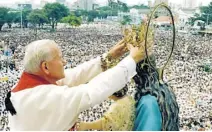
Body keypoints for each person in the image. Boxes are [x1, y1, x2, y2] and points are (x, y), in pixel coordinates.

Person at [4, 39, 146, 131]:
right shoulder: (44, 97)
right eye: (60, 58)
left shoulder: (29, 86)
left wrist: (108, 57)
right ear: (45, 67)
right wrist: (131, 60)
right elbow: (91, 92)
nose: (64, 62)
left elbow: (75, 75)